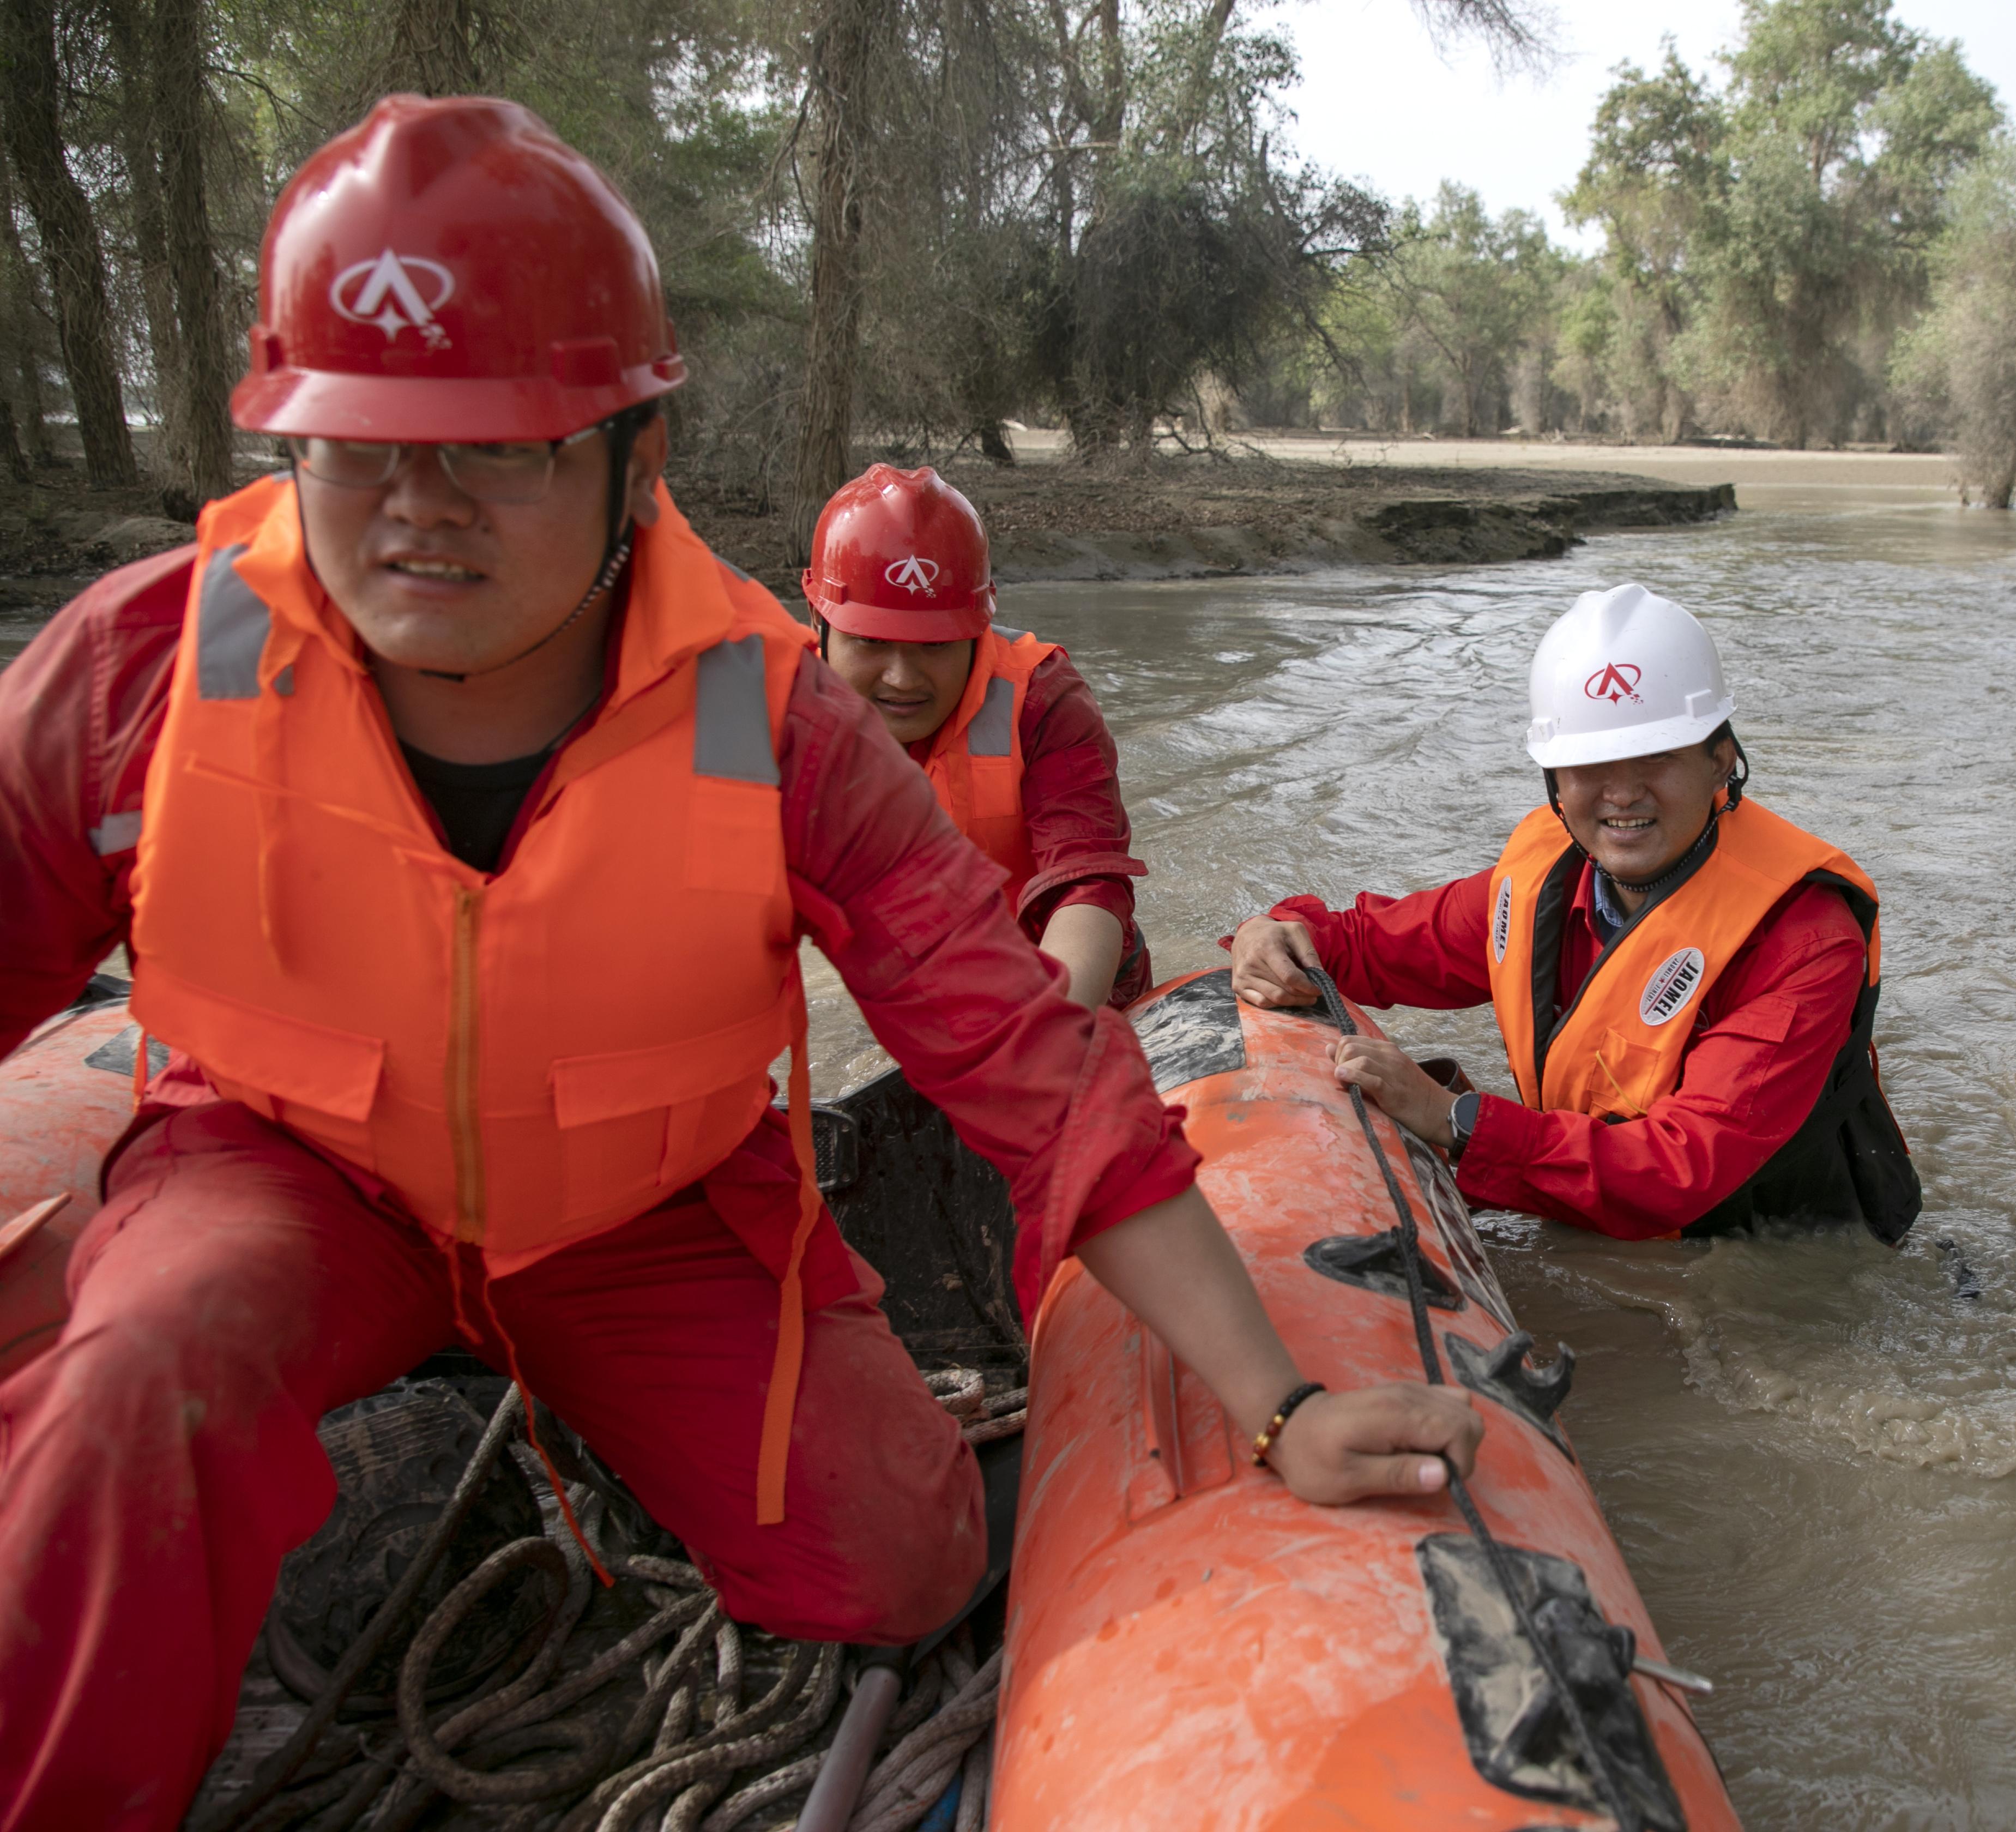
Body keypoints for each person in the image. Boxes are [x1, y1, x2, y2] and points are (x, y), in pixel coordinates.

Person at [0, 96, 1477, 1830]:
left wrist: (1278, 1396)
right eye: (358, 449)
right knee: (140, 1369)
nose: (419, 512)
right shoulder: (142, 668)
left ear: (635, 459)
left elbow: (1030, 1060)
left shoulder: (769, 717)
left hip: (642, 1213)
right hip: (287, 1177)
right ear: (285, 451)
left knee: (902, 1564)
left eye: (500, 452)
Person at [1229, 583, 1921, 1243]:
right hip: (1596, 1203)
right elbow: (1371, 946)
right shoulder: (1543, 883)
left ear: (1722, 761)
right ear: (1553, 778)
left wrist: (1453, 1120)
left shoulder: (1805, 939)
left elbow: (1684, 1169)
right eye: (1591, 763)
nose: (1621, 793)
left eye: (1657, 756)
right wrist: (1280, 933)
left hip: (1762, 1245)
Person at [804, 465, 1148, 1008]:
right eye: (870, 642)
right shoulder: (774, 710)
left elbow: (1087, 890)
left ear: (977, 630)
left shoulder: (1044, 702)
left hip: (1070, 987)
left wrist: (1043, 1045)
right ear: (818, 621)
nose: (902, 678)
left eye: (936, 646)